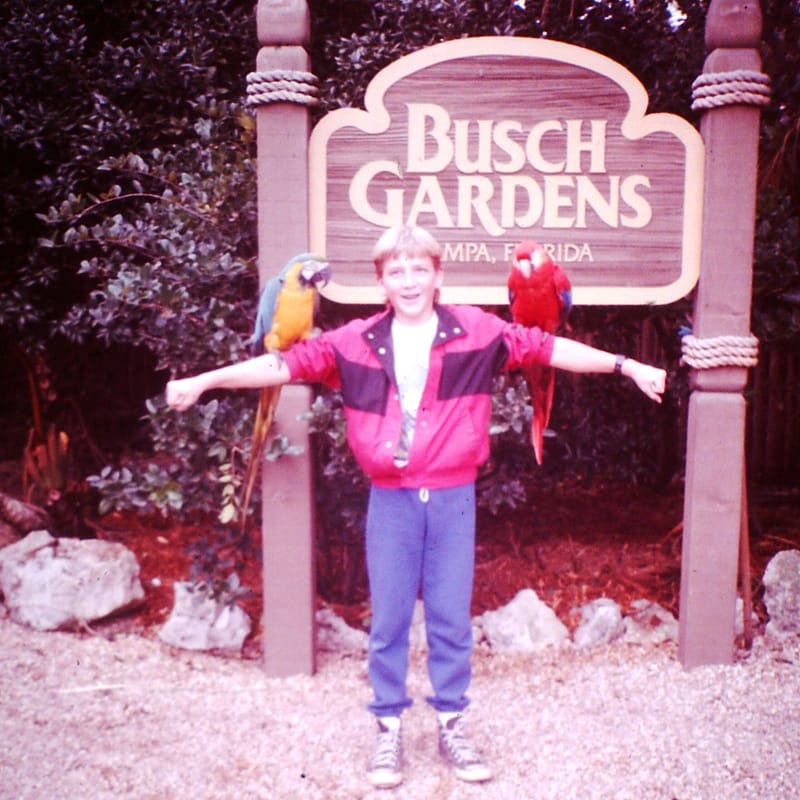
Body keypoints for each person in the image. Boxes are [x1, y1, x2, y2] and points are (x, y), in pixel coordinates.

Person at [166, 225, 666, 789]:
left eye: (419, 269)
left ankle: (452, 724)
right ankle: (388, 732)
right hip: (392, 501)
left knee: (452, 619)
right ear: (381, 281)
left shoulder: (476, 332)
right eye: (396, 271)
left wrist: (628, 366)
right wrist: (205, 381)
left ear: (438, 276)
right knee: (390, 621)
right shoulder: (354, 342)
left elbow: (549, 349)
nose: (409, 281)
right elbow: (282, 367)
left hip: (453, 499)